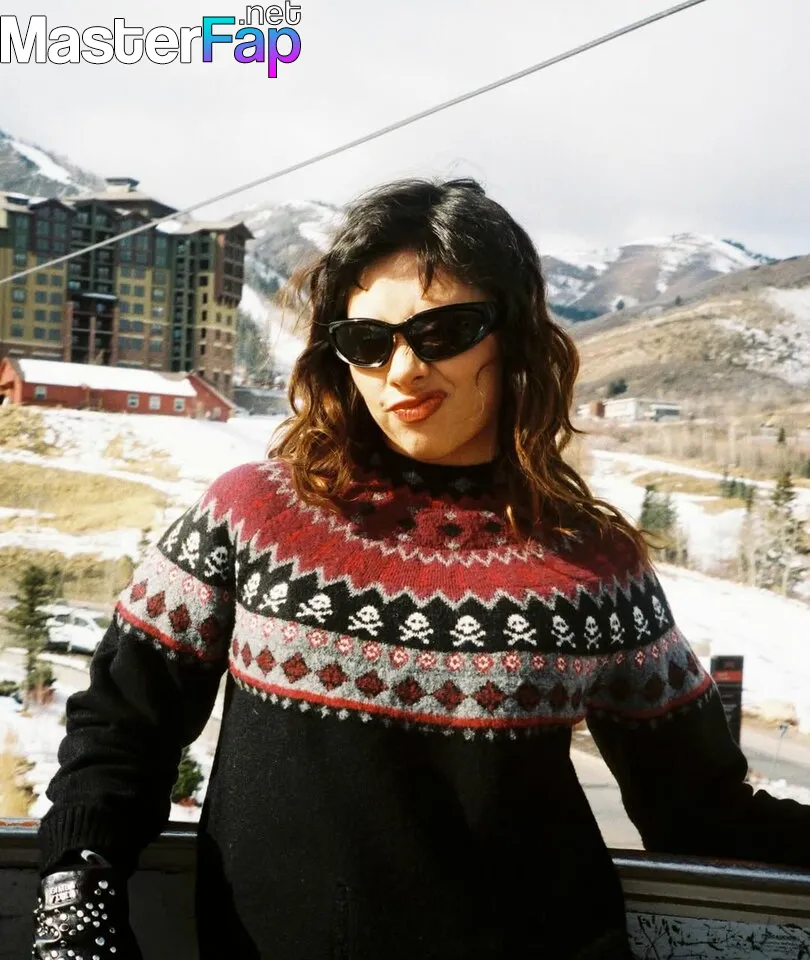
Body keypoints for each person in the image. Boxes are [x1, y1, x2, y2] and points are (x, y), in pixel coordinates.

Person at [32, 178, 810, 960]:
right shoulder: (253, 515)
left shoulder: (594, 565)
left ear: (512, 336)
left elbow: (700, 809)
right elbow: (122, 726)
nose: (402, 370)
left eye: (443, 332)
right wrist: (76, 889)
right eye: (368, 341)